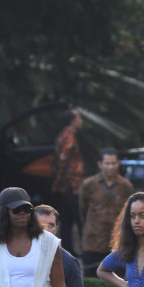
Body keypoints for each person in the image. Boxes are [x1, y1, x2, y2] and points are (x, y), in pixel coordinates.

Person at [78, 148, 134, 277]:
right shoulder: (89, 184)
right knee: (91, 277)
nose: (111, 167)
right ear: (100, 164)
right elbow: (82, 209)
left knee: (117, 278)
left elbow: (129, 212)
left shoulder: (126, 186)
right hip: (93, 240)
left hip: (117, 241)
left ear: (118, 164)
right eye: (107, 163)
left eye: (113, 163)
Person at [49, 108, 85, 254]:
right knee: (79, 218)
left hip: (67, 184)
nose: (81, 121)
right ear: (72, 121)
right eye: (78, 118)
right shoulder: (68, 138)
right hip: (71, 185)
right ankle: (86, 251)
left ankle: (68, 251)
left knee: (67, 220)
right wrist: (61, 184)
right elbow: (63, 163)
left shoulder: (64, 136)